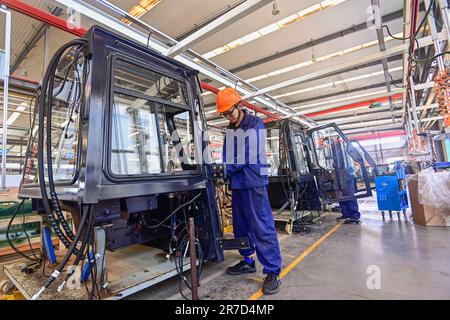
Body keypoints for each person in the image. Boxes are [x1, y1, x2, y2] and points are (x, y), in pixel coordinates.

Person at [217, 88, 282, 295]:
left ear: (239, 106)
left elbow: (246, 155)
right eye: (224, 114)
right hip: (237, 184)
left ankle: (272, 271)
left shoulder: (255, 124)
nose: (228, 117)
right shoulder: (229, 129)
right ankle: (247, 260)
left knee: (261, 226)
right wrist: (222, 170)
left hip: (254, 183)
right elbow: (227, 155)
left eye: (230, 112)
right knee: (241, 226)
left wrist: (223, 169)